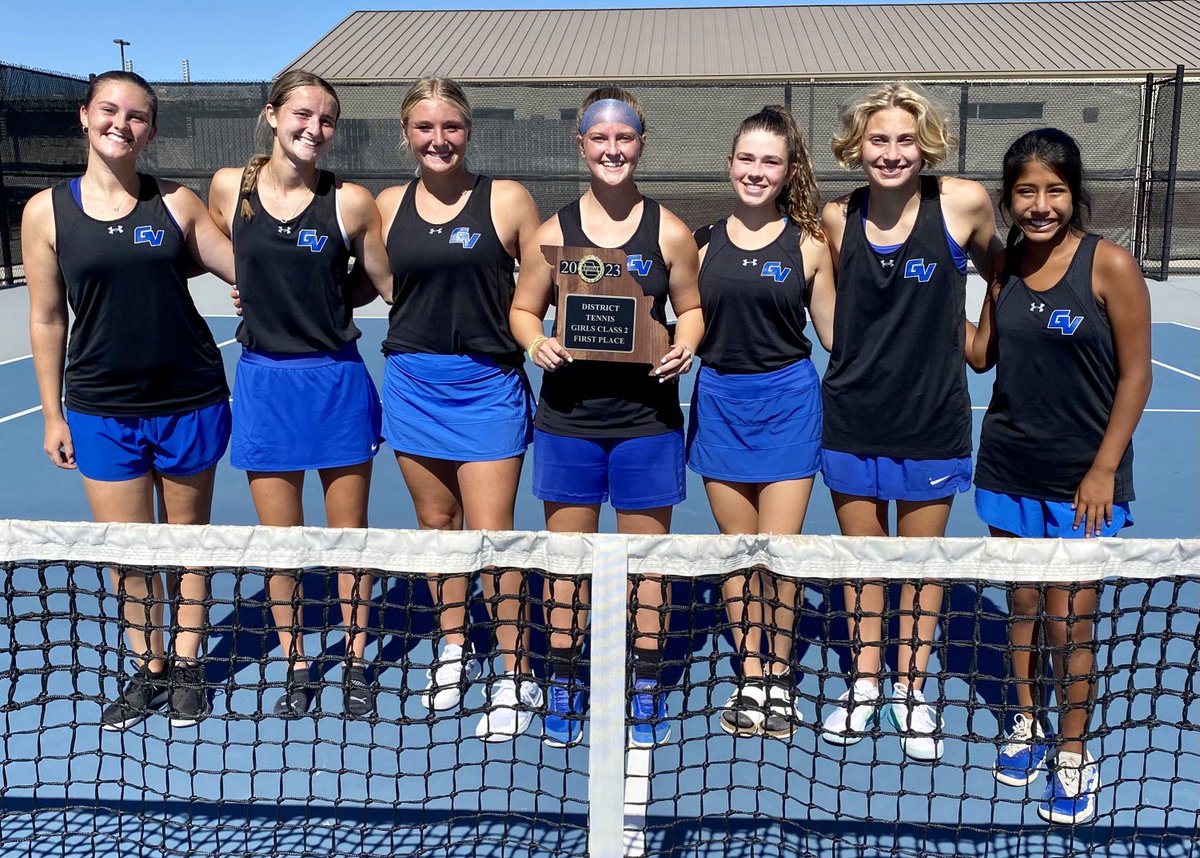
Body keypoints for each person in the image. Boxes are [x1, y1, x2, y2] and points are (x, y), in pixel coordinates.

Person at [24, 71, 235, 729]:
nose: (122, 123)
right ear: (85, 116)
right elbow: (47, 317)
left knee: (187, 544)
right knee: (130, 554)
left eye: (137, 115)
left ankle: (190, 665)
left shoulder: (178, 203)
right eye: (109, 110)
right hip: (98, 409)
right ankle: (150, 669)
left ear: (151, 130)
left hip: (189, 399)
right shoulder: (45, 212)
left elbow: (249, 269)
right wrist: (53, 411)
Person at [967, 128, 1151, 823]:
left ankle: (1072, 755)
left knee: (1071, 623)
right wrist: (913, 314)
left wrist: (1104, 470)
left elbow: (1136, 375)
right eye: (1026, 192)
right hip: (1010, 465)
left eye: (1054, 190)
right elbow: (983, 353)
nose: (1040, 204)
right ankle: (1026, 723)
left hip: (1084, 480)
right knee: (1022, 610)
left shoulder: (1110, 267)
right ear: (1009, 198)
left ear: (1073, 194)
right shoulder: (1005, 264)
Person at [510, 85, 703, 748]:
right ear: (583, 144)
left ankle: (644, 685)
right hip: (569, 421)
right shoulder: (554, 232)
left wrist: (687, 344)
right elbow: (522, 310)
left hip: (647, 421)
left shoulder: (670, 231)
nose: (613, 148)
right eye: (601, 137)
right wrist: (536, 341)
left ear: (640, 145)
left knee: (647, 561)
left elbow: (693, 308)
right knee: (568, 562)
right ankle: (565, 680)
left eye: (625, 137)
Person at [818, 82, 1000, 760]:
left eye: (904, 140)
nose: (891, 153)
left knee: (921, 567)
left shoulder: (962, 203)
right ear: (856, 146)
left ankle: (909, 689)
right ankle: (865, 683)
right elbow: (840, 310)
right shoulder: (837, 217)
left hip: (931, 420)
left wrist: (978, 342)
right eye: (878, 140)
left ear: (925, 144)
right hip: (853, 415)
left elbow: (1004, 273)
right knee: (866, 564)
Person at [209, 71, 392, 719]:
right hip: (264, 383)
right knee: (281, 543)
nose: (314, 129)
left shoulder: (351, 202)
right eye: (302, 115)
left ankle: (358, 661)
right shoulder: (230, 188)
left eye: (326, 121)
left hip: (337, 381)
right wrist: (250, 290)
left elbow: (382, 284)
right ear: (271, 116)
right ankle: (295, 664)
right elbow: (231, 257)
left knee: (349, 538)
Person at [374, 78, 543, 740]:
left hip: (488, 385)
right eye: (424, 128)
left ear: (468, 132)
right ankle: (451, 647)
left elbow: (546, 284)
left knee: (493, 532)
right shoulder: (386, 204)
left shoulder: (507, 200)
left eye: (450, 128)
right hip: (414, 382)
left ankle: (514, 670)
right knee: (436, 524)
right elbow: (361, 277)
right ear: (407, 134)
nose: (438, 140)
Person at [686, 106, 834, 739]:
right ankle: (750, 675)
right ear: (730, 165)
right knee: (738, 556)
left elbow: (836, 336)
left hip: (788, 407)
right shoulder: (699, 242)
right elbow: (667, 322)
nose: (756, 170)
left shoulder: (809, 246)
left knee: (781, 555)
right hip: (720, 406)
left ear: (788, 170)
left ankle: (778, 678)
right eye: (746, 158)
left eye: (770, 160)